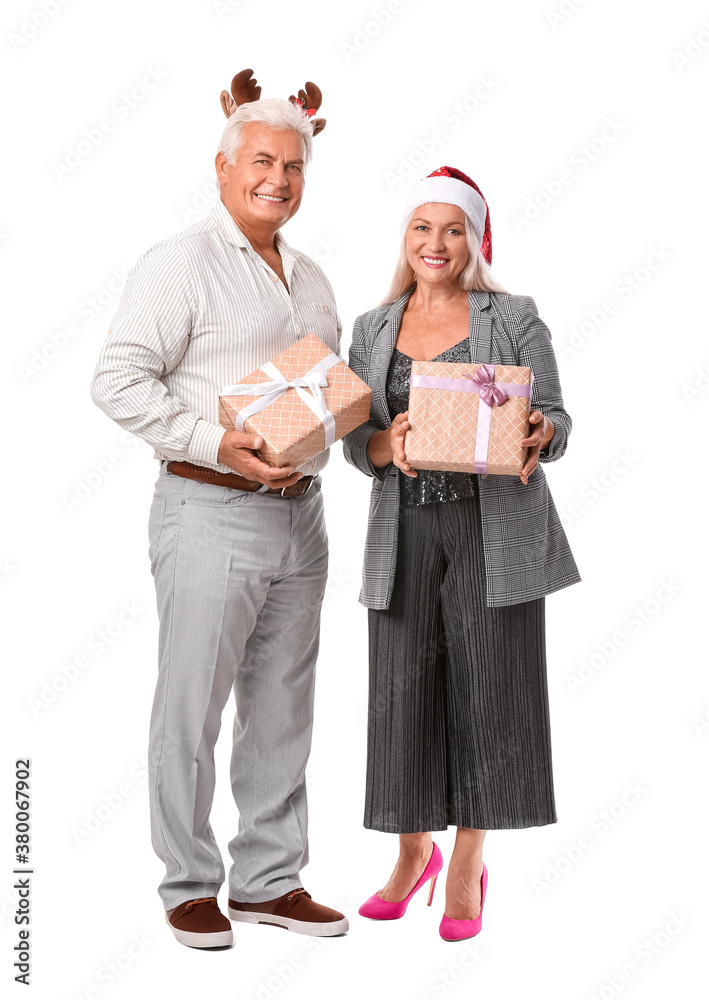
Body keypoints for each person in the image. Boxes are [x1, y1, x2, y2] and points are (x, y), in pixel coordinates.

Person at [90, 69, 348, 948]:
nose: (277, 179)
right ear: (223, 166)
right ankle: (188, 882)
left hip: (301, 519)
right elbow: (117, 381)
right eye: (261, 162)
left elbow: (327, 395)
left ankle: (269, 880)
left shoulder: (311, 278)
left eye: (293, 166)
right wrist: (215, 443)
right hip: (207, 509)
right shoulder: (179, 263)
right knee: (191, 705)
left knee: (282, 704)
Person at [342, 166, 581, 941]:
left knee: (490, 688)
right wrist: (385, 441)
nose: (433, 244)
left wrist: (541, 433)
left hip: (492, 526)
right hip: (404, 527)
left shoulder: (511, 315)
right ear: (404, 238)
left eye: (451, 229)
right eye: (420, 228)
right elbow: (356, 443)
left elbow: (551, 414)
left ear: (472, 239)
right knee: (400, 696)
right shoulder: (372, 328)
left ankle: (470, 858)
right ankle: (414, 855)